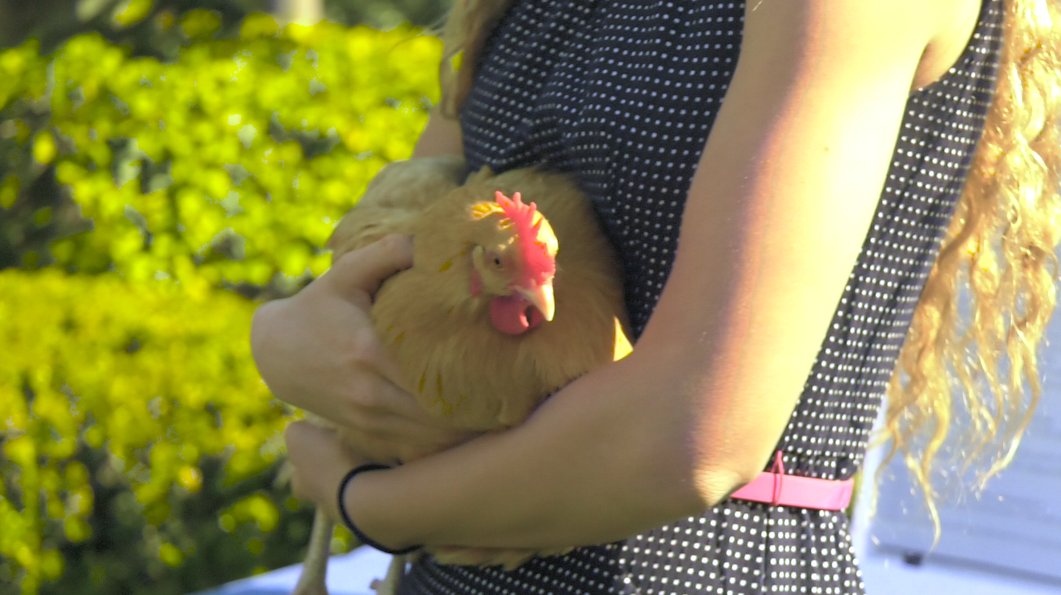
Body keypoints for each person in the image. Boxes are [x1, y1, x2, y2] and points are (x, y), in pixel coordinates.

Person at [250, 0, 1061, 593]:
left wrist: (372, 505)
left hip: (682, 571)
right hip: (452, 568)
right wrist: (285, 335)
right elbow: (412, 230)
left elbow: (693, 432)